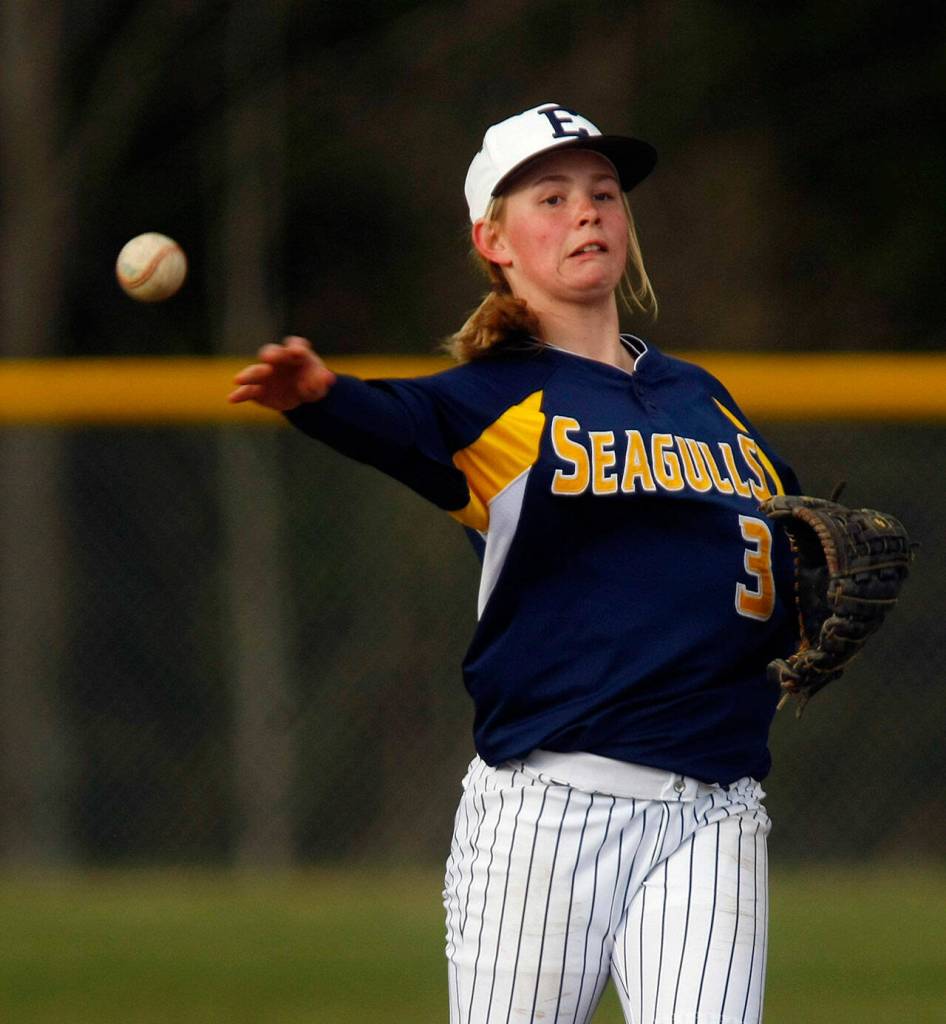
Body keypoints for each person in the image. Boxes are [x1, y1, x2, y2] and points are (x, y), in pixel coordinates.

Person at [229, 102, 800, 1024]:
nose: (587, 213)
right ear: (492, 238)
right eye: (552, 196)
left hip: (716, 810)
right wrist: (322, 399)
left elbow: (792, 545)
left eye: (604, 194)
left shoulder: (701, 398)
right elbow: (399, 425)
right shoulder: (490, 402)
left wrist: (810, 599)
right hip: (550, 816)